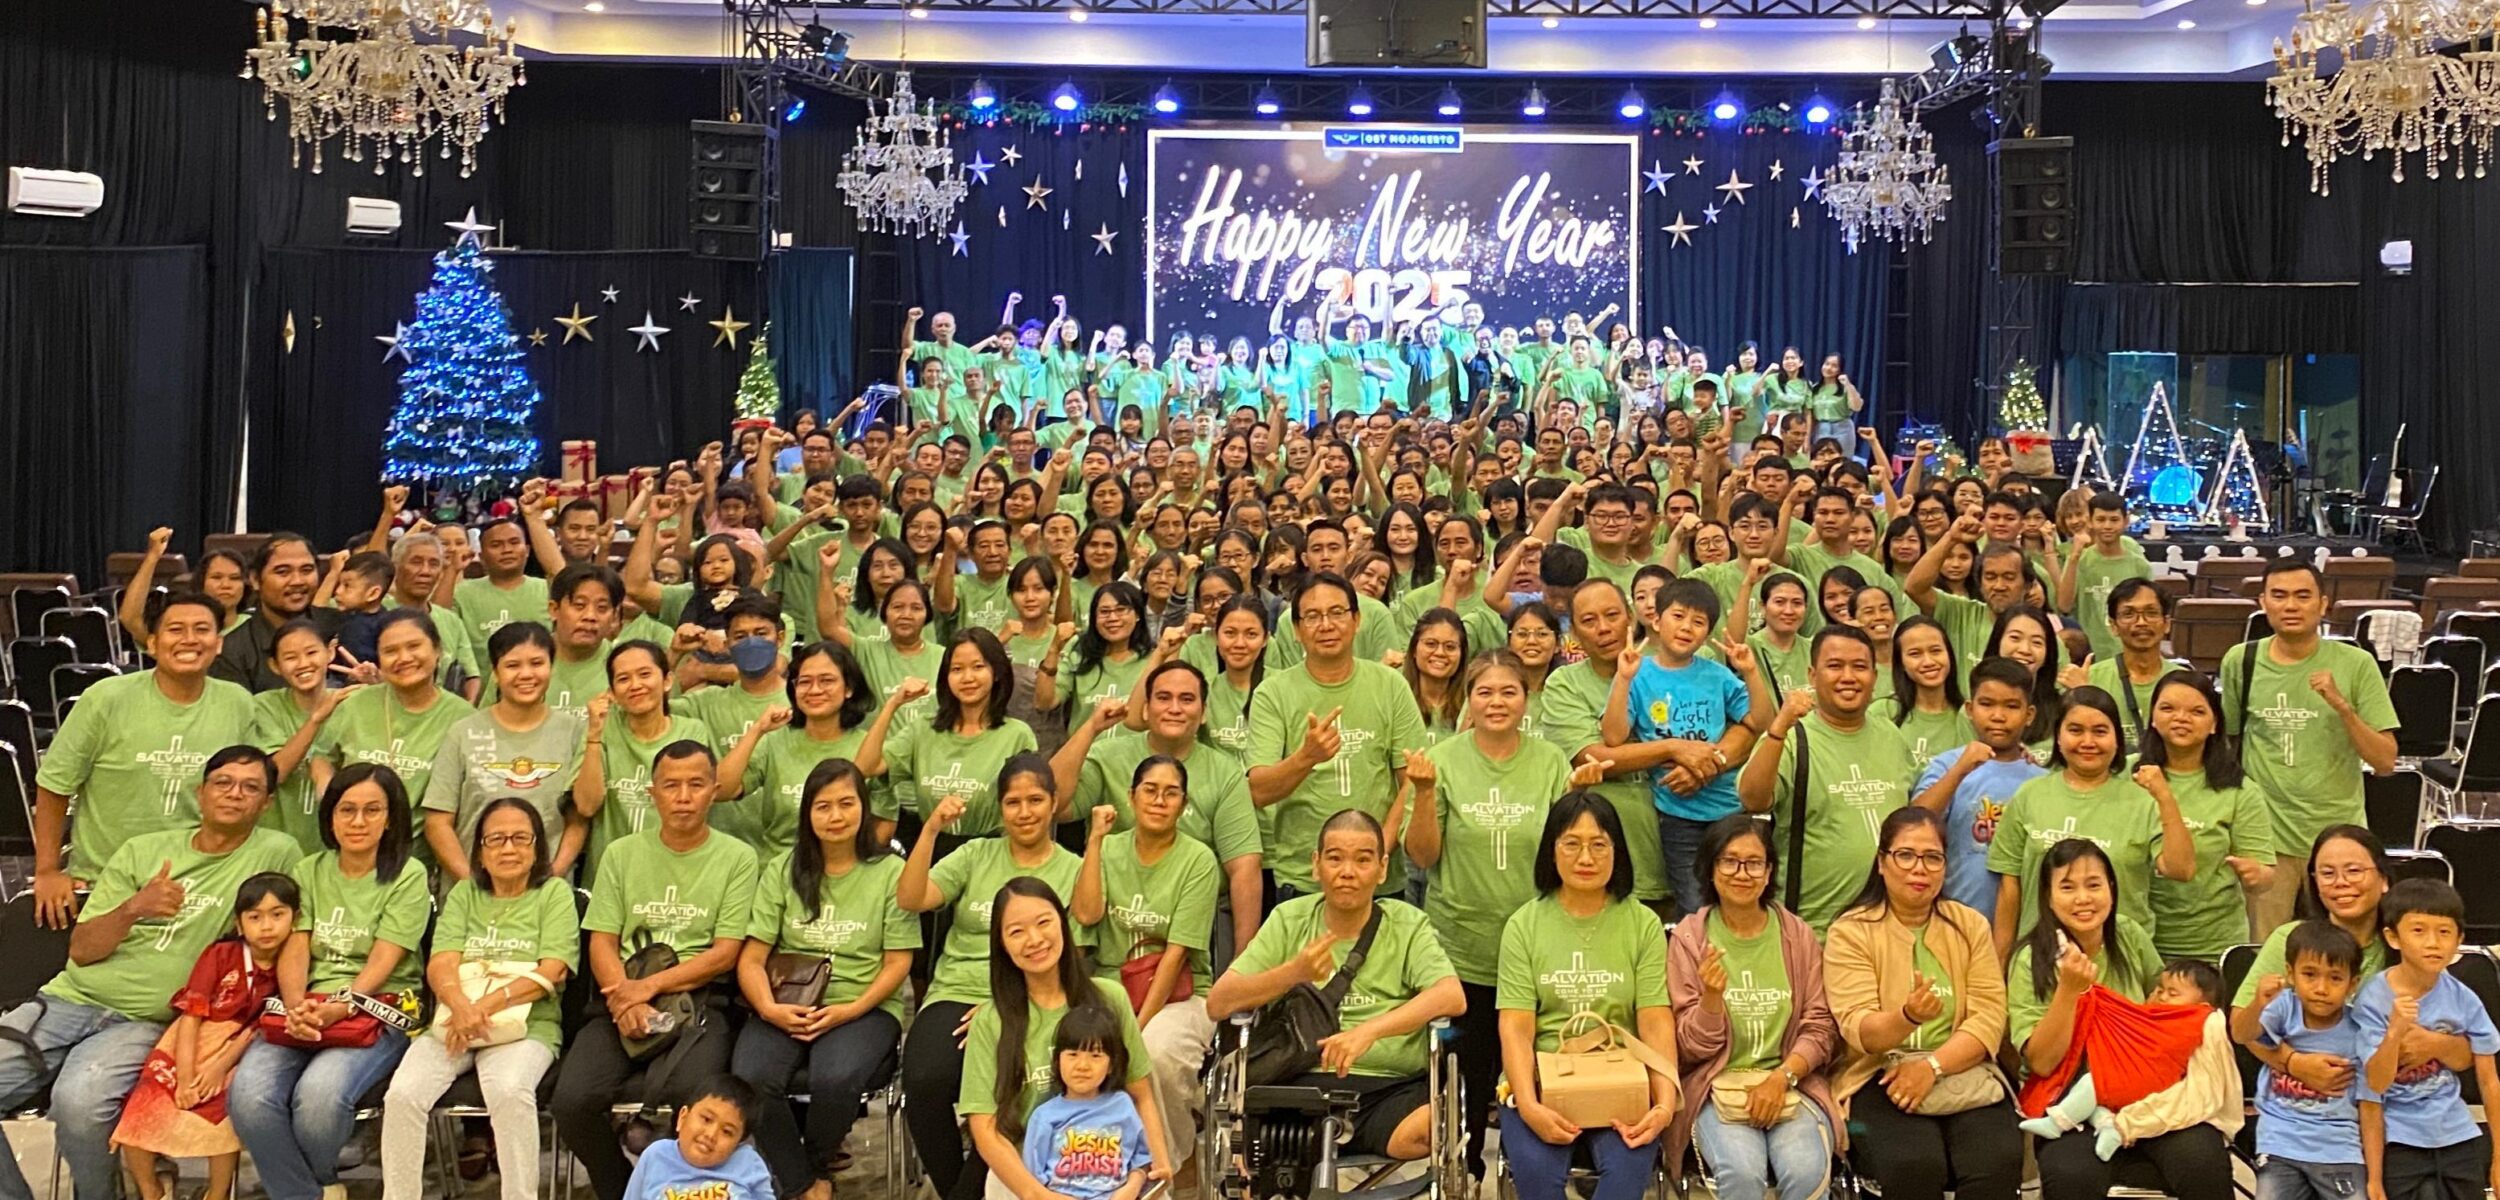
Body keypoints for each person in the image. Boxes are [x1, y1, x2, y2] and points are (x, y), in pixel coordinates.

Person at [0, 746, 302, 1200]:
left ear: (267, 803)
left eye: (250, 787)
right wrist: (134, 908)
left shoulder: (277, 853)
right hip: (68, 1000)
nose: (234, 794)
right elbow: (81, 950)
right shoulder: (143, 851)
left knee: (79, 1105)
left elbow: (290, 935)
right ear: (200, 793)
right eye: (222, 783)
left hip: (146, 1020)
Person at [1409, 648, 1601, 1173]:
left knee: (1536, 1075)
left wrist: (1576, 800)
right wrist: (1424, 793)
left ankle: (1538, 1170)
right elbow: (1422, 855)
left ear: (1526, 697)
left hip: (1536, 946)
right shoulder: (1443, 760)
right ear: (1466, 699)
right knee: (1468, 1079)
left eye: (1508, 691)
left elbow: (1567, 856)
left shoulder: (1550, 762)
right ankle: (1466, 1169)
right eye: (1484, 692)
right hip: (1461, 946)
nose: (1496, 702)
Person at [553, 740, 761, 1200]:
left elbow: (726, 952)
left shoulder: (738, 858)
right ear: (653, 793)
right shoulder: (622, 853)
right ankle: (627, 1189)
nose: (683, 796)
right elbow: (602, 940)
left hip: (701, 1003)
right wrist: (622, 996)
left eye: (695, 785)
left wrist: (644, 989)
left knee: (692, 1098)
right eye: (671, 786)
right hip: (620, 997)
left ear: (714, 791)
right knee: (571, 1101)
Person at [1207, 810, 1467, 1162]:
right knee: (1249, 1151)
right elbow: (1218, 1003)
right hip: (1296, 1087)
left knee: (1428, 1131)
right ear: (1316, 865)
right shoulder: (1289, 919)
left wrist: (1368, 1032)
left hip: (1387, 1090)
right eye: (1334, 858)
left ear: (1382, 868)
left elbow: (1451, 995)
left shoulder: (1407, 923)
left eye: (1362, 860)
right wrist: (1292, 973)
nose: (1347, 872)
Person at [230, 763, 432, 1200]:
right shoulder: (309, 869)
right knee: (249, 1098)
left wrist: (343, 1005)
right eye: (347, 810)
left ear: (391, 817)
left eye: (371, 810)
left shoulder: (408, 874)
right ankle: (315, 1191)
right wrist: (296, 1006)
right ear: (330, 816)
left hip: (377, 1007)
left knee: (318, 1100)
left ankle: (308, 1185)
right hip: (306, 1003)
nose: (358, 822)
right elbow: (296, 946)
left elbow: (386, 956)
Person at [896, 755, 1084, 1200]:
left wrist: (1003, 1002)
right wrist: (931, 830)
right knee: (924, 1080)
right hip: (958, 994)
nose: (1025, 812)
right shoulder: (976, 854)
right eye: (1013, 802)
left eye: (1036, 800)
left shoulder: (1072, 869)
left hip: (1032, 999)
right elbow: (911, 897)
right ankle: (958, 1190)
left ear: (1054, 803)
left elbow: (1071, 955)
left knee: (1017, 1091)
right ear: (1000, 808)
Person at [732, 759, 918, 1200]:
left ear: (864, 807)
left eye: (846, 804)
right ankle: (804, 1186)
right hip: (785, 1000)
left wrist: (848, 1011)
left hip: (863, 1006)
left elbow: (897, 964)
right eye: (823, 807)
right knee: (751, 1075)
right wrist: (769, 1009)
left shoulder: (891, 873)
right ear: (807, 815)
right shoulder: (783, 869)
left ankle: (808, 1170)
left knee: (834, 1079)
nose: (835, 817)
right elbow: (752, 959)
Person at [381, 798, 579, 1200]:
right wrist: (462, 1007)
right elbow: (441, 963)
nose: (509, 849)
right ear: (481, 852)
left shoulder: (553, 894)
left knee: (508, 1091)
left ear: (538, 847)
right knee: (402, 1095)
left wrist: (483, 1007)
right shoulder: (465, 894)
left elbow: (553, 969)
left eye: (521, 838)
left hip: (527, 1026)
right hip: (454, 1022)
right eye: (497, 840)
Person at [1822, 806, 2021, 1200]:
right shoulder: (1850, 931)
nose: (1920, 869)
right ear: (1881, 862)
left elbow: (1988, 1019)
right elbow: (1860, 1031)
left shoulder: (1969, 925)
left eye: (1933, 858)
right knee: (1914, 1166)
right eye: (1906, 855)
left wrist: (1932, 1066)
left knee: (1996, 1161)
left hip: (1961, 1069)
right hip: (1879, 1075)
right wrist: (1908, 1016)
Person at [2008, 840, 2224, 1200]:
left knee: (2202, 1157)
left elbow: (2168, 1007)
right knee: (2071, 1173)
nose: (2083, 899)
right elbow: (2042, 1063)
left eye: (2094, 884)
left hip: (2146, 1096)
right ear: (2047, 896)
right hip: (2071, 1102)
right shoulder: (2029, 960)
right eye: (2067, 886)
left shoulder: (2129, 936)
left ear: (2112, 888)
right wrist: (2069, 991)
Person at [30, 591, 258, 928]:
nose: (189, 639)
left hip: (199, 883)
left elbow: (247, 790)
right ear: (151, 643)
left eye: (202, 629)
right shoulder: (105, 699)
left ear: (219, 643)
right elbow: (54, 785)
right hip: (105, 882)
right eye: (176, 629)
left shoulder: (237, 702)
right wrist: (47, 870)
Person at [1497, 792, 1677, 1200]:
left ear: (1618, 851)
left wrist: (1663, 1105)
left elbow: (1655, 1020)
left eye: (1599, 844)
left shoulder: (1642, 924)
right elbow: (1516, 1026)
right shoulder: (1524, 925)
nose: (1586, 857)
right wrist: (1528, 1104)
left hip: (1621, 1076)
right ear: (1551, 850)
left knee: (1625, 1180)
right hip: (1543, 1077)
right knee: (1539, 1181)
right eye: (1571, 844)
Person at [1665, 813, 1840, 1200]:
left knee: (1807, 1173)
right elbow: (1687, 1047)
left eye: (1754, 862)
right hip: (1716, 1085)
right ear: (1710, 870)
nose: (1741, 873)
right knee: (1743, 1175)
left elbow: (1820, 1026)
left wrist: (1782, 1078)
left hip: (1790, 1083)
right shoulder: (1690, 939)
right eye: (1729, 861)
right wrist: (1711, 1002)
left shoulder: (1797, 935)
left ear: (1768, 871)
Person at [963, 878, 1170, 1200]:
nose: (1034, 939)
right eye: (1016, 931)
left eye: (1044, 922)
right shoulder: (991, 1021)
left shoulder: (1109, 997)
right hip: (1027, 1171)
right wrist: (1038, 1195)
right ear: (1001, 944)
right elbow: (985, 1128)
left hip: (1113, 1168)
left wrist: (1154, 1171)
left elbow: (1141, 1094)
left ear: (1063, 923)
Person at [2222, 562, 2399, 937]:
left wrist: (2342, 707)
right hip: (2265, 838)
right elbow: (2228, 742)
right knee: (2263, 952)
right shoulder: (2241, 661)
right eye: (2279, 595)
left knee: (2346, 948)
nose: (2291, 606)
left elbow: (2385, 760)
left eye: (2303, 596)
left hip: (2339, 837)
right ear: (2263, 603)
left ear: (2323, 605)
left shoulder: (2355, 664)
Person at [1068, 755, 1219, 1177]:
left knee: (1154, 1051)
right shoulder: (1109, 847)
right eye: (1150, 790)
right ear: (1132, 797)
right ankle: (1084, 1171)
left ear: (1184, 804)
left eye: (1171, 793)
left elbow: (1175, 957)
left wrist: (1136, 1025)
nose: (1159, 800)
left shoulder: (1198, 860)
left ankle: (1163, 1169)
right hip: (1110, 986)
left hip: (1180, 995)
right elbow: (1086, 914)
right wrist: (1095, 841)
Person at [109, 871, 298, 1200]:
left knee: (221, 1116)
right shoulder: (220, 955)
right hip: (189, 1040)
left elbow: (259, 1027)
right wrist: (183, 1076)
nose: (267, 927)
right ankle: (152, 1190)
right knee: (141, 1110)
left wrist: (219, 1067)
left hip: (241, 1046)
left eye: (277, 915)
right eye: (255, 917)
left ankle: (218, 1193)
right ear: (240, 925)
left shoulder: (293, 963)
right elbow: (191, 1016)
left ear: (295, 919)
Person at [1059, 658, 1264, 955]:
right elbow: (1056, 805)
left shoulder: (1225, 772)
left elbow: (1244, 867)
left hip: (1191, 916)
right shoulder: (1107, 756)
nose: (1175, 708)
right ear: (1145, 708)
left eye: (1187, 699)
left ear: (1204, 713)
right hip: (1109, 916)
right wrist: (1090, 729)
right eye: (1163, 698)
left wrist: (1243, 967)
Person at [1246, 574, 1431, 899]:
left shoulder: (1390, 685)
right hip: (1304, 880)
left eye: (1337, 613)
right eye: (1313, 617)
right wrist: (1307, 757)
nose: (1326, 625)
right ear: (1296, 630)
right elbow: (1258, 791)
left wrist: (1376, 855)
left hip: (1381, 879)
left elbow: (1412, 782)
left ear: (1356, 620)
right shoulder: (1273, 693)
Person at [1986, 686, 2193, 955]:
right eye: (2075, 730)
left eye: (2100, 731)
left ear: (2117, 739)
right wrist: (2000, 963)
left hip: (2119, 957)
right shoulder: (2030, 795)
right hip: (2039, 957)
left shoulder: (2142, 801)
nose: (2088, 742)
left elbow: (2182, 870)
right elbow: (2009, 888)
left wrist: (2165, 797)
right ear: (2057, 737)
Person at [1734, 625, 1912, 931]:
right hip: (1812, 929)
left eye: (1859, 667)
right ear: (1812, 675)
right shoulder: (1791, 736)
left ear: (1875, 675)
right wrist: (1778, 727)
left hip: (1889, 925)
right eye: (1834, 666)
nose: (1848, 677)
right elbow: (1752, 798)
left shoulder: (1891, 735)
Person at [1604, 579, 1765, 916]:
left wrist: (1750, 672)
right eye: (1678, 616)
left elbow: (1761, 722)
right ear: (1657, 620)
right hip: (1678, 816)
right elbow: (1614, 737)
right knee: (1694, 906)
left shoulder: (1717, 675)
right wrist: (1622, 678)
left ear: (1707, 633)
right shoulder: (1640, 674)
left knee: (1739, 903)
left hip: (1730, 808)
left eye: (1699, 621)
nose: (1687, 627)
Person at [2354, 879, 2500, 1200]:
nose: (2433, 943)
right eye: (2418, 931)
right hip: (2399, 1139)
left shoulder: (2464, 998)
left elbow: (2489, 1080)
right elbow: (2373, 1089)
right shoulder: (2373, 998)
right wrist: (2374, 1179)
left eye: (2444, 932)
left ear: (2459, 939)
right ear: (2393, 937)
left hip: (2455, 1131)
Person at [2019, 960, 2241, 1162]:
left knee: (2093, 1083)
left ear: (2203, 1004)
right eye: (2160, 990)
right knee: (2095, 1098)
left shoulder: (2205, 1022)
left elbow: (2205, 1083)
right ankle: (2108, 1127)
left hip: (2154, 1085)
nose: (2162, 997)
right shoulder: (2154, 1016)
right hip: (2129, 1082)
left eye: (2173, 994)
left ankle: (2058, 1122)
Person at [1542, 580, 1674, 909]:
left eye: (1612, 615)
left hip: (1677, 851)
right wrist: (1673, 749)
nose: (1603, 628)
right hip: (1603, 865)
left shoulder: (1673, 668)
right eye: (1589, 621)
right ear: (1572, 631)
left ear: (1631, 617)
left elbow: (1744, 728)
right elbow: (1593, 758)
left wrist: (1712, 756)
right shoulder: (1564, 684)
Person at [423, 622, 590, 881]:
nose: (526, 674)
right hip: (471, 891)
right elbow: (438, 821)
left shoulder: (575, 732)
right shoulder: (463, 732)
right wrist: (472, 884)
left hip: (545, 898)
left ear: (551, 667)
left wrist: (553, 876)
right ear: (496, 674)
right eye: (513, 665)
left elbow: (577, 819)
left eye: (537, 663)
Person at [2136, 670, 2277, 960]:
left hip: (2213, 944)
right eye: (2168, 708)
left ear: (2214, 724)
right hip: (2139, 940)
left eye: (2197, 711)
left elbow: (2265, 874)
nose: (2181, 718)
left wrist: (2256, 874)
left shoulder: (2239, 788)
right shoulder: (2129, 776)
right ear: (2152, 718)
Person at [860, 628, 1039, 842]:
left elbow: (1027, 809)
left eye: (978, 667)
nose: (967, 677)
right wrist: (893, 704)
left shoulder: (1018, 735)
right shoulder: (923, 729)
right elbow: (866, 767)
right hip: (929, 849)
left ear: (997, 672)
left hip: (990, 852)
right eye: (957, 669)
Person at [2234, 919, 2369, 1200]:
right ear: (2290, 974)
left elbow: (2372, 1099)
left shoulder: (2360, 1028)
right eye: (2310, 974)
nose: (2321, 988)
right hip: (2281, 1141)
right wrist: (2259, 1003)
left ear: (2352, 983)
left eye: (2335, 978)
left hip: (2340, 1146)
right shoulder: (2283, 1006)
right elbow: (2241, 1034)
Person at [1913, 657, 2046, 922]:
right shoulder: (1948, 765)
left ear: (2029, 715)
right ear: (1970, 709)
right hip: (1952, 920)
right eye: (1987, 704)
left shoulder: (2042, 780)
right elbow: (1914, 822)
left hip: (2024, 927)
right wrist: (1961, 769)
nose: (1998, 716)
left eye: (2011, 706)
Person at [309, 609, 474, 822]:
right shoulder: (355, 704)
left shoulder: (463, 718)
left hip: (424, 851)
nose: (404, 658)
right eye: (390, 651)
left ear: (437, 650)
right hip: (356, 838)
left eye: (414, 646)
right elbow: (321, 754)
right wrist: (331, 797)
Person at [573, 639, 717, 877]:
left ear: (667, 680)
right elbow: (587, 806)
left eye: (644, 674)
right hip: (608, 874)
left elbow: (695, 808)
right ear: (612, 693)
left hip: (673, 873)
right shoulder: (601, 729)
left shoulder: (692, 731)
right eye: (623, 679)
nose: (635, 685)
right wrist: (594, 736)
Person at [1018, 1008, 1153, 1200]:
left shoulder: (1122, 1105)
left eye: (1096, 1056)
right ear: (1057, 1061)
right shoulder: (1044, 1116)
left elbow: (1142, 1158)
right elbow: (1032, 1181)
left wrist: (1132, 1186)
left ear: (1111, 1065)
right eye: (1073, 1054)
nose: (1082, 1065)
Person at [248, 618, 348, 852]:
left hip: (335, 847)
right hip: (276, 844)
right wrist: (315, 720)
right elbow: (276, 773)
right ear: (275, 665)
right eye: (291, 657)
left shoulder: (351, 704)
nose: (303, 664)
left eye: (311, 652)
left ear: (330, 652)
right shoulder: (264, 705)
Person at [620, 1075, 778, 1200]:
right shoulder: (656, 1155)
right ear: (682, 1117)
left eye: (727, 1132)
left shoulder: (748, 1163)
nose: (711, 1134)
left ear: (739, 1143)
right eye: (706, 1119)